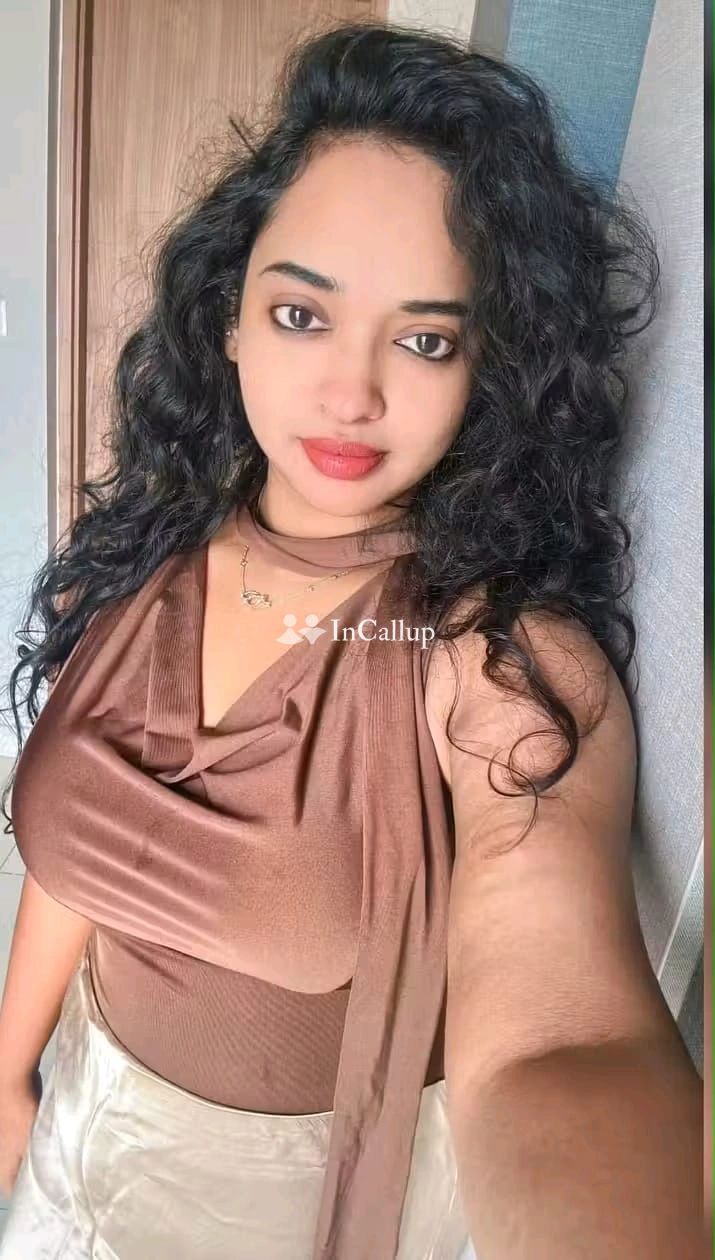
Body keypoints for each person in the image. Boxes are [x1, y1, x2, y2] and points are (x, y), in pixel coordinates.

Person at [0, 18, 705, 1260]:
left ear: (488, 372)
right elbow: (81, 859)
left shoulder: (496, 659)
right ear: (229, 317)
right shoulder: (144, 554)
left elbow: (564, 1038)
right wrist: (11, 1072)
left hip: (283, 1208)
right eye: (301, 314)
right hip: (81, 1122)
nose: (351, 393)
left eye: (425, 339)